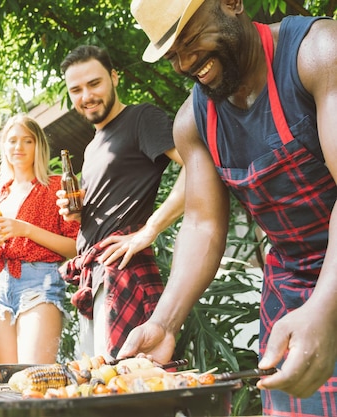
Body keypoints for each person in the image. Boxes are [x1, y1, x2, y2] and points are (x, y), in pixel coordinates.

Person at [123, 0, 337, 415]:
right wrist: (163, 323)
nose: (186, 63)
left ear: (232, 3)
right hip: (292, 284)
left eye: (190, 39)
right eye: (172, 56)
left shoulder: (319, 53)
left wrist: (325, 307)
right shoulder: (193, 121)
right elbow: (202, 224)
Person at [56, 45, 186, 359]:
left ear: (114, 77)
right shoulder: (92, 147)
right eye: (76, 89)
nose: (86, 95)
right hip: (94, 275)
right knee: (102, 387)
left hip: (124, 271)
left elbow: (199, 167)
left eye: (94, 83)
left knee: (129, 387)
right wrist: (78, 216)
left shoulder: (142, 118)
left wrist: (149, 229)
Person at [0, 115, 79, 364]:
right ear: (4, 147)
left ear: (39, 146)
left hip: (40, 283)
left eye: (27, 141)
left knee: (34, 376)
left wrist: (25, 229)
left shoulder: (56, 187)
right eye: (12, 141)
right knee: (5, 380)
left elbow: (75, 248)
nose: (19, 147)